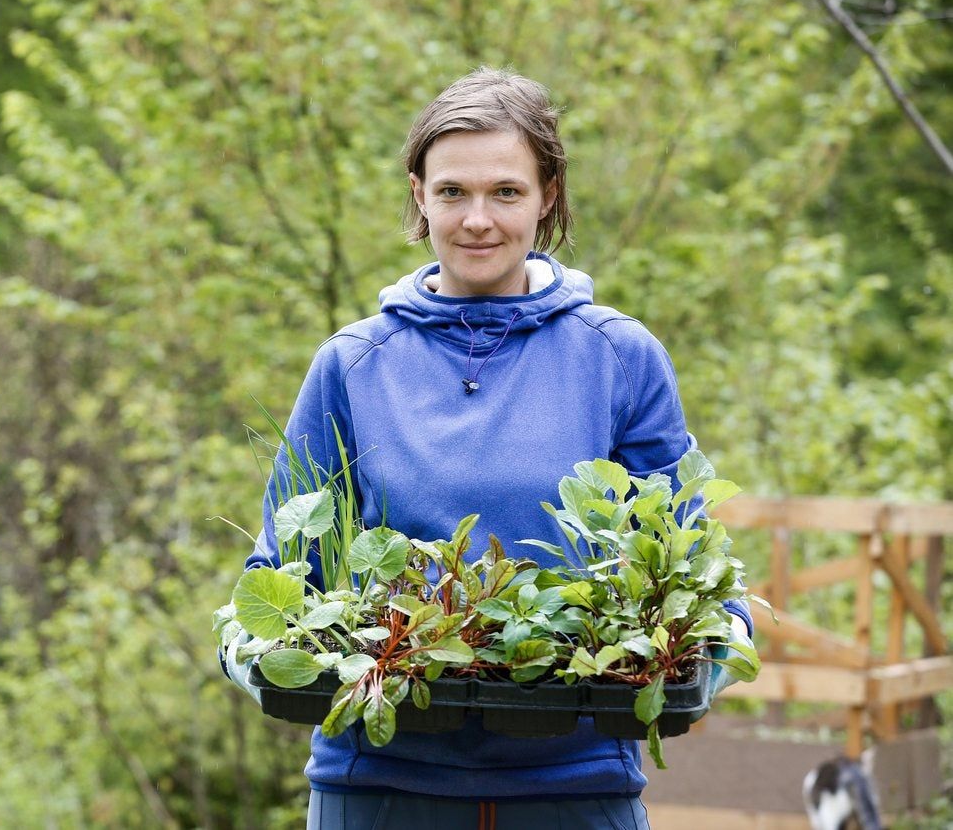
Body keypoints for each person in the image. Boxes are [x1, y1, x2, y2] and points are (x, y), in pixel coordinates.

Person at [223, 67, 754, 830]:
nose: (477, 219)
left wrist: (714, 639)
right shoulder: (351, 364)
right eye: (451, 193)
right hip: (377, 786)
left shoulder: (617, 356)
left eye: (505, 191)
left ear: (547, 197)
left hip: (573, 785)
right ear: (418, 196)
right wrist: (254, 653)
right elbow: (278, 572)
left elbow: (691, 556)